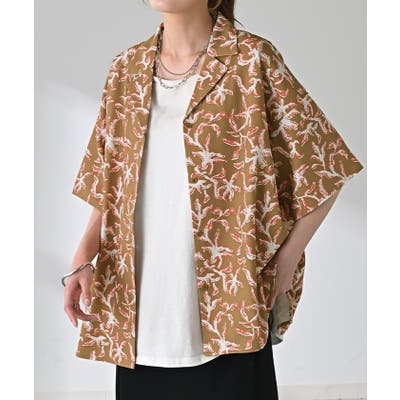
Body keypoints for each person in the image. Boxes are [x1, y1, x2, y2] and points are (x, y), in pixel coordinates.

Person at [63, 1, 364, 399]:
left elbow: (326, 165)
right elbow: (107, 183)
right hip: (138, 314)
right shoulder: (125, 69)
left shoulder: (252, 60)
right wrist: (82, 258)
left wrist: (286, 262)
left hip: (229, 304)